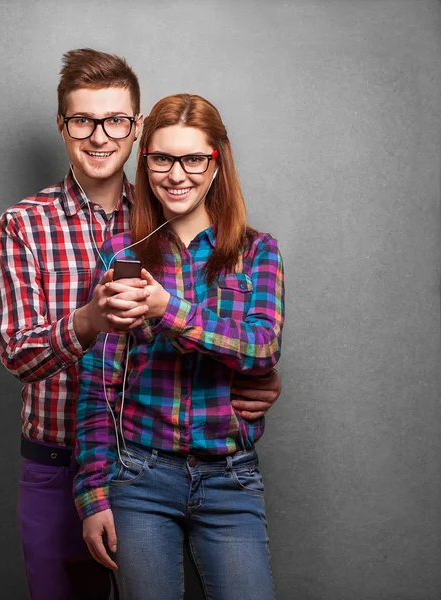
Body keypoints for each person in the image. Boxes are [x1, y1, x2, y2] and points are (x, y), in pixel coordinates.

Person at [0, 48, 282, 600]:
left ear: (136, 129)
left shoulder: (170, 215)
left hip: (176, 463)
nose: (100, 136)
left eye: (115, 122)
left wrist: (255, 377)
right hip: (67, 459)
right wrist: (91, 318)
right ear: (63, 126)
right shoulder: (29, 225)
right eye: (83, 120)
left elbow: (253, 340)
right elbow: (24, 357)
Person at [74, 94, 285, 600]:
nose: (176, 174)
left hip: (230, 478)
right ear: (145, 161)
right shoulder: (122, 256)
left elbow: (261, 349)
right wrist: (93, 493)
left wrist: (168, 308)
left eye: (193, 158)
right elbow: (100, 382)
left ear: (217, 163)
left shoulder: (256, 251)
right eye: (162, 158)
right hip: (140, 476)